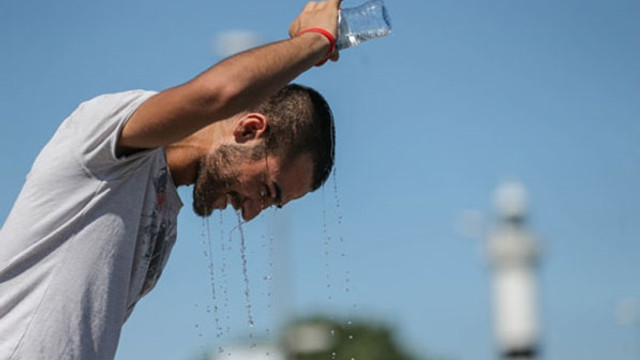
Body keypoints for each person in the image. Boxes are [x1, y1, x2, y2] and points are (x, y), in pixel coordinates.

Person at [0, 1, 342, 359]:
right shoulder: (105, 139)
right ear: (249, 129)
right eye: (266, 190)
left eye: (272, 203)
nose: (251, 213)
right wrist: (316, 40)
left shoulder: (164, 219)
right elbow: (218, 94)